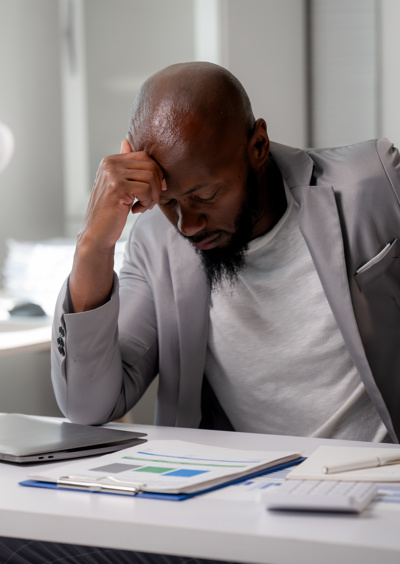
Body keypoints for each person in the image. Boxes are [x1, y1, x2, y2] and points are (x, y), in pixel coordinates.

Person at [3, 61, 400, 563]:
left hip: (375, 489)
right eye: (168, 202)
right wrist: (94, 245)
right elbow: (89, 405)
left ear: (257, 146)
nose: (188, 225)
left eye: (205, 195)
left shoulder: (374, 186)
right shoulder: (156, 241)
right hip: (234, 503)